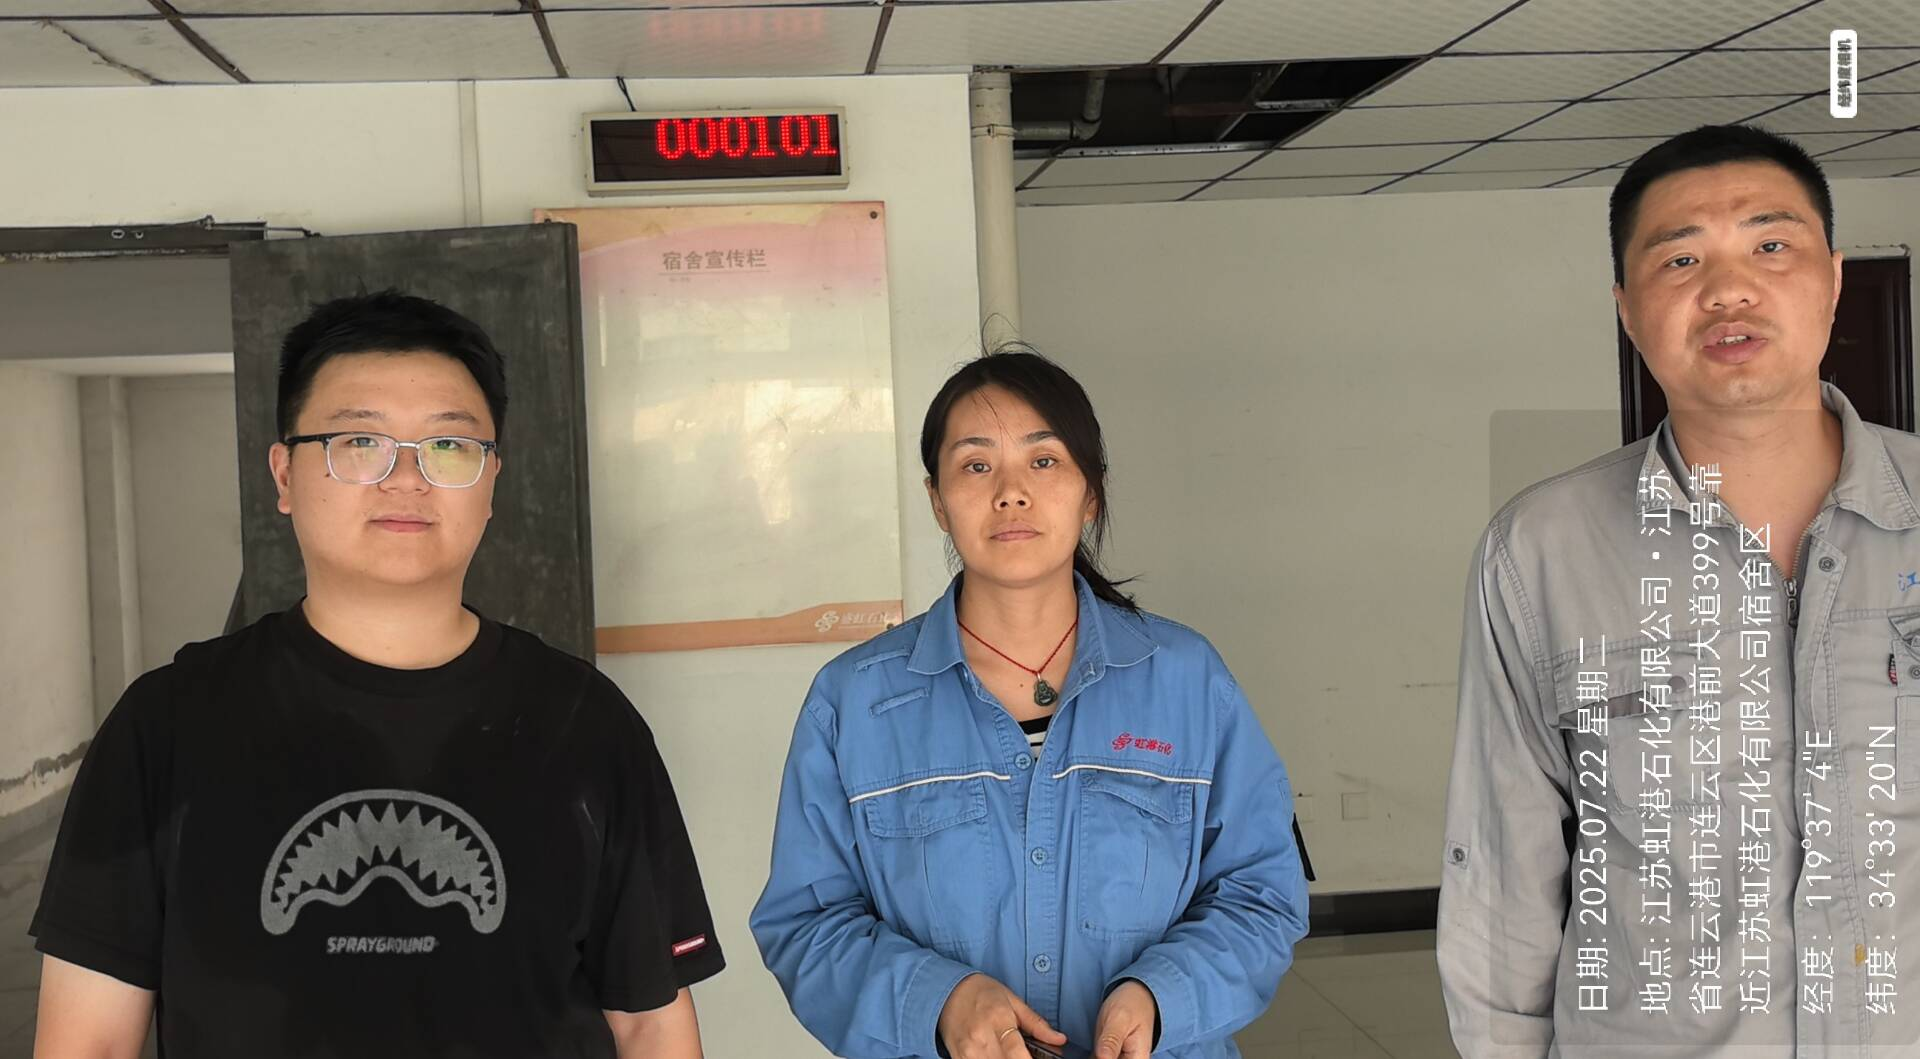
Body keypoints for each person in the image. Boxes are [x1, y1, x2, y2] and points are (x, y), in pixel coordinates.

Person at [30, 291, 723, 1058]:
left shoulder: (587, 721)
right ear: (284, 475)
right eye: (359, 440)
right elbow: (89, 1038)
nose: (406, 478)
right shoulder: (165, 725)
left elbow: (651, 1022)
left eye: (448, 446)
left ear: (492, 480)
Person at [1439, 124, 1918, 1054]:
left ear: (1833, 280)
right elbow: (1502, 869)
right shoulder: (1542, 551)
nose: (1729, 289)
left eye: (1770, 245)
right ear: (1627, 308)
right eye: (1681, 259)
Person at [750, 350, 1309, 1059]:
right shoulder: (852, 702)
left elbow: (1262, 893)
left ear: (1091, 493)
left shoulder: (1189, 682)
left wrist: (1161, 996)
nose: (1011, 492)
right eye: (976, 465)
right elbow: (806, 924)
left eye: (1043, 461)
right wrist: (939, 1001)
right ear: (937, 501)